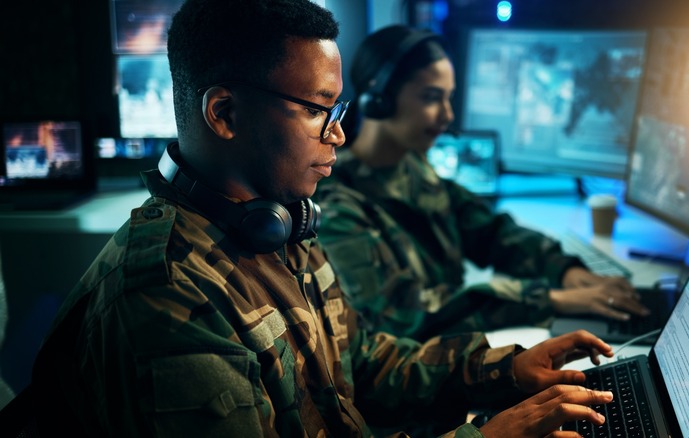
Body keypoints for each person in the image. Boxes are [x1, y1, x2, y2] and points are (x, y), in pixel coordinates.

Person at [29, 1, 616, 436]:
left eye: (337, 110)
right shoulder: (167, 297)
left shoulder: (276, 222)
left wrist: (504, 371)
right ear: (226, 114)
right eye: (316, 111)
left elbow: (358, 361)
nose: (338, 133)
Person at [312, 24, 649, 341]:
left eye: (448, 97)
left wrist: (563, 270)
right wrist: (551, 300)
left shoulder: (411, 165)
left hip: (456, 353)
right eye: (431, 97)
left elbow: (489, 231)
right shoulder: (336, 203)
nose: (448, 116)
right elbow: (401, 313)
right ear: (379, 96)